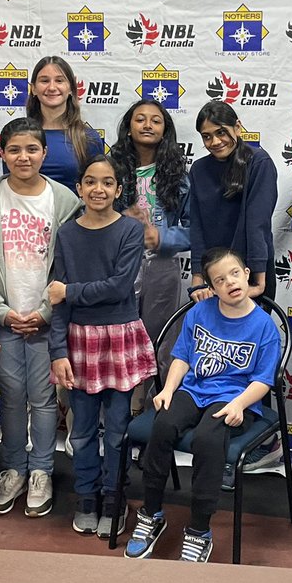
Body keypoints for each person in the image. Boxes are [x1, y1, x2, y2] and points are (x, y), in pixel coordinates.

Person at [125, 248, 281, 564]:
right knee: (164, 424)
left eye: (235, 274)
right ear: (211, 287)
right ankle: (151, 513)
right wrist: (168, 388)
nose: (230, 283)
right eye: (220, 280)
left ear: (247, 274)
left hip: (235, 400)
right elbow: (182, 356)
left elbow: (263, 380)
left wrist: (239, 404)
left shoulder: (264, 325)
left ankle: (199, 530)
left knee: (207, 439)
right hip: (194, 390)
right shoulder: (200, 312)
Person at [0, 117, 80, 519]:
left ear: (44, 153)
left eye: (32, 149)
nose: (23, 157)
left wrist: (46, 312)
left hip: (49, 321)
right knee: (11, 397)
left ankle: (42, 471)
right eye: (14, 149)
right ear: (2, 154)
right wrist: (1, 312)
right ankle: (13, 469)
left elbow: (73, 265)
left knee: (45, 399)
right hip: (3, 320)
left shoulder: (65, 201)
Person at [48, 155, 156, 540]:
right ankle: (87, 497)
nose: (98, 189)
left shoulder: (129, 229)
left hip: (119, 338)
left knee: (116, 429)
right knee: (80, 432)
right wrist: (58, 351)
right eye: (90, 182)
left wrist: (71, 292)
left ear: (118, 190)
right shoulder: (66, 233)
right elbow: (56, 299)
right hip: (79, 342)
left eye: (107, 182)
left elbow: (119, 287)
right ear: (79, 188)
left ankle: (115, 498)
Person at [109, 99, 191, 379]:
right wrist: (119, 225)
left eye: (155, 120)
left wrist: (163, 237)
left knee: (160, 340)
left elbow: (197, 231)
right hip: (118, 265)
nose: (147, 125)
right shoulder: (110, 171)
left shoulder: (179, 176)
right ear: (128, 128)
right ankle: (118, 408)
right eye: (140, 119)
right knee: (117, 337)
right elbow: (91, 217)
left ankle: (153, 407)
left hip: (162, 266)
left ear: (165, 130)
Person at [189, 101, 278, 302]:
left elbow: (258, 224)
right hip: (215, 276)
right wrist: (197, 277)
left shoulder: (259, 162)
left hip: (250, 272)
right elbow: (197, 227)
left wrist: (258, 281)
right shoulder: (198, 170)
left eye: (221, 132)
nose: (215, 141)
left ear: (237, 127)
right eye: (207, 136)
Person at [26, 55, 103, 187]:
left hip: (75, 208)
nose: (52, 87)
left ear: (71, 88)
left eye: (59, 81)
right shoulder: (19, 136)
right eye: (44, 81)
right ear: (33, 89)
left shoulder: (89, 138)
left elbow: (97, 188)